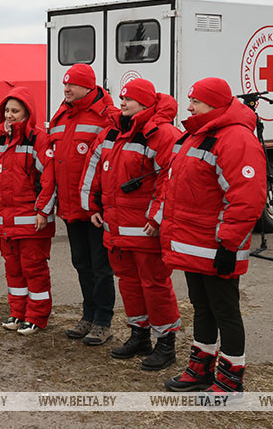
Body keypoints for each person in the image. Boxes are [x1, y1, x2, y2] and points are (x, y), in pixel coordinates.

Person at [161, 77, 266, 394]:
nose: (189, 106)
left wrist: (229, 244)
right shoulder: (197, 135)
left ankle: (231, 378)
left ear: (216, 105)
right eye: (190, 100)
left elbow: (247, 197)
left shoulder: (236, 139)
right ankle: (201, 368)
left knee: (226, 311)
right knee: (202, 306)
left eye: (196, 101)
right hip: (194, 244)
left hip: (218, 247)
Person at [79, 78, 182, 370]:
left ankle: (166, 343)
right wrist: (91, 205)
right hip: (117, 227)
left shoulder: (163, 135)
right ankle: (140, 335)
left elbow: (170, 180)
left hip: (145, 229)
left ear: (146, 103)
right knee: (130, 284)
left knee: (155, 285)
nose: (122, 103)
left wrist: (156, 216)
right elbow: (94, 167)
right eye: (122, 98)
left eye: (129, 99)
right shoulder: (113, 132)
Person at [44, 63, 119, 346]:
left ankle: (103, 321)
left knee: (101, 266)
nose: (66, 89)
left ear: (88, 86)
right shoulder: (61, 115)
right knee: (81, 263)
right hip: (70, 206)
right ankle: (88, 315)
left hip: (96, 209)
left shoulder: (108, 116)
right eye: (65, 85)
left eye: (71, 85)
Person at [0, 87, 56, 335]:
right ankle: (18, 313)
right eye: (6, 110)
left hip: (31, 220)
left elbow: (48, 178)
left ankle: (37, 316)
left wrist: (43, 211)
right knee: (13, 270)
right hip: (6, 220)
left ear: (28, 112)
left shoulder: (38, 139)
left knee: (34, 269)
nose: (9, 115)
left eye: (15, 110)